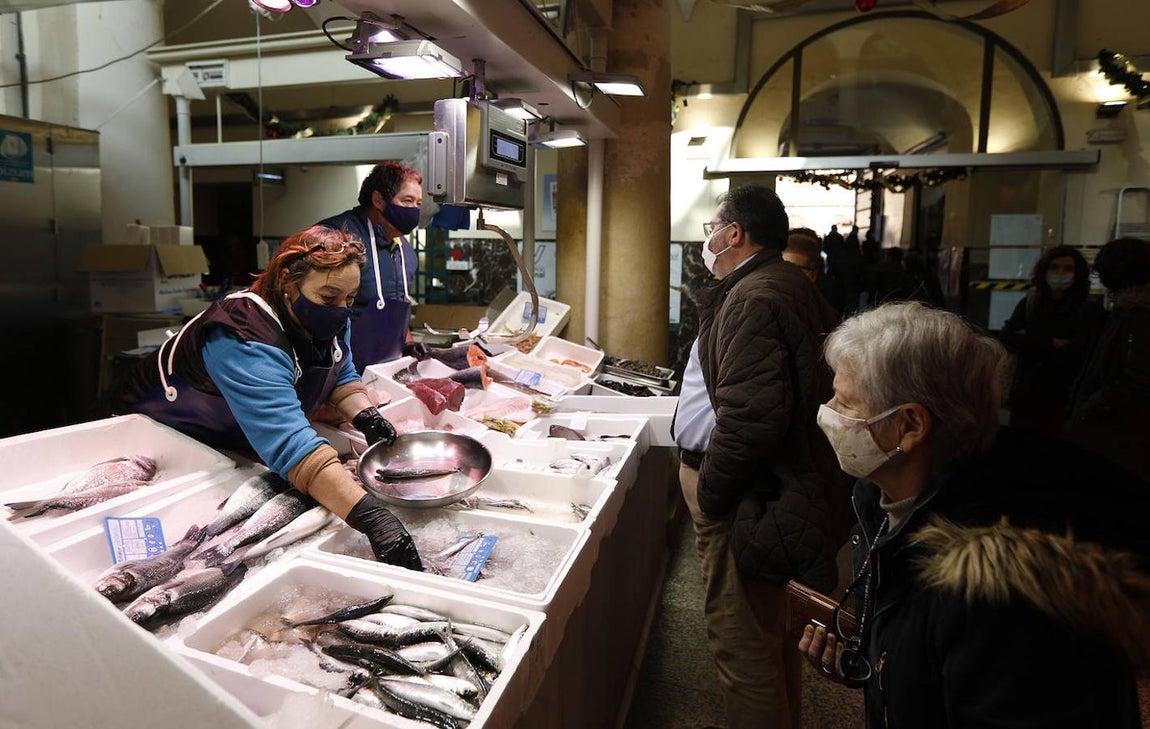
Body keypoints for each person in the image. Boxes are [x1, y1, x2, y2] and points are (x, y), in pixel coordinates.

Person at [799, 302, 1150, 728]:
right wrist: (876, 668)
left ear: (910, 426)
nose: (829, 411)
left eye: (846, 402)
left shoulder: (1002, 591)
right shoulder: (884, 504)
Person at [107, 226, 423, 571]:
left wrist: (364, 414)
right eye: (329, 297)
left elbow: (339, 369)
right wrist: (373, 519)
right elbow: (290, 443)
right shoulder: (241, 334)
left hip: (229, 445)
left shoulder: (327, 315)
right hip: (149, 441)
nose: (341, 308)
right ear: (288, 281)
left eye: (350, 299)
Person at [679, 184, 845, 729]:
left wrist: (710, 495)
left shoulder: (754, 296)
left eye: (712, 229)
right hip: (765, 492)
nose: (708, 240)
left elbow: (752, 419)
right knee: (770, 640)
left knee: (743, 648)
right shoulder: (777, 282)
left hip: (745, 497)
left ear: (734, 233)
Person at [317, 161, 423, 372]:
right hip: (338, 370)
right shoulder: (337, 239)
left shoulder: (406, 251)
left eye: (418, 203)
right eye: (407, 200)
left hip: (384, 368)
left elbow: (398, 307)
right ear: (378, 200)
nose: (414, 210)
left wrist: (408, 343)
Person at [1066, 237, 1150, 481]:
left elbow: (1136, 377)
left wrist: (1090, 407)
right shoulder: (1125, 312)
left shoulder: (1137, 316)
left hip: (1117, 435)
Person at [1000, 245, 1099, 436]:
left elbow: (1081, 349)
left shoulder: (1087, 308)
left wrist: (1030, 339)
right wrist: (1052, 343)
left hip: (1064, 395)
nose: (1060, 273)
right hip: (1027, 393)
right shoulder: (1030, 303)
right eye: (1054, 267)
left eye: (1067, 268)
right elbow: (1007, 337)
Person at [783, 230, 844, 318]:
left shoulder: (826, 302)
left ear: (812, 274)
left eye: (793, 268)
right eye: (781, 266)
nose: (784, 273)